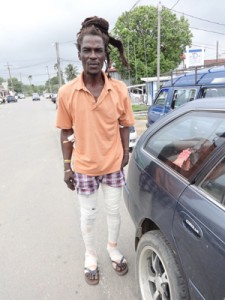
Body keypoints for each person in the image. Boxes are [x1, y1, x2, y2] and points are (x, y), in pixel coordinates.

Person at [56, 16, 134, 285]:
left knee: (114, 213)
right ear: (79, 54)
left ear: (104, 54)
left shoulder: (119, 89)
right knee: (88, 216)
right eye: (87, 50)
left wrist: (125, 153)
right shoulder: (67, 92)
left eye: (98, 50)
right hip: (84, 167)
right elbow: (66, 131)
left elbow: (125, 123)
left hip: (112, 165)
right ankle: (90, 256)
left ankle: (112, 248)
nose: (92, 55)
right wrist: (67, 166)